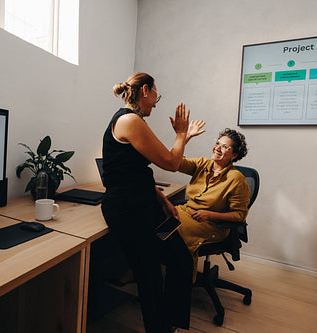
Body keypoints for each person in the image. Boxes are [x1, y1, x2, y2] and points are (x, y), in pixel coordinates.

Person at [101, 72, 205, 333]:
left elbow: (136, 171)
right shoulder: (129, 121)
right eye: (156, 96)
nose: (157, 103)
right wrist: (181, 133)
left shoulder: (135, 121)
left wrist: (162, 199)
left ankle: (171, 324)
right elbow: (171, 163)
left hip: (146, 205)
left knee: (180, 259)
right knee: (149, 276)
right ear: (145, 90)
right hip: (128, 211)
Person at [174, 128, 250, 280]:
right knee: (156, 219)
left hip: (212, 224)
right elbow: (173, 162)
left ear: (234, 155)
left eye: (225, 146)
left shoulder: (236, 179)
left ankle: (182, 278)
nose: (217, 148)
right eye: (217, 143)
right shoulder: (202, 164)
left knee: (172, 233)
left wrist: (209, 214)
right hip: (187, 213)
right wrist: (185, 137)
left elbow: (239, 216)